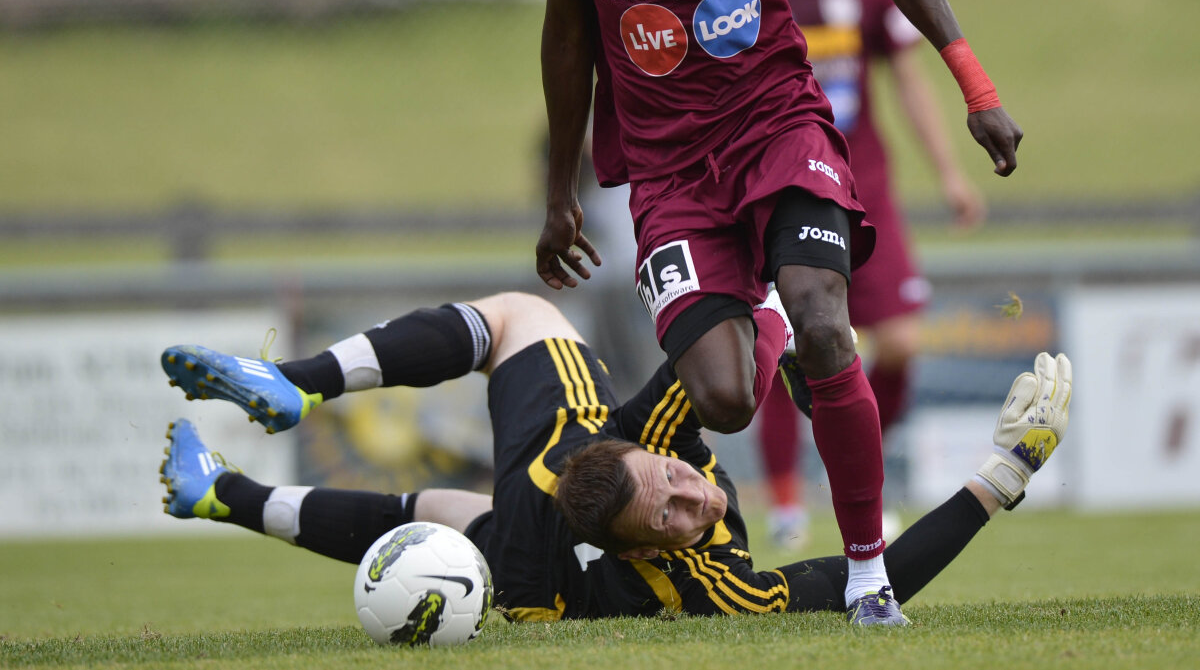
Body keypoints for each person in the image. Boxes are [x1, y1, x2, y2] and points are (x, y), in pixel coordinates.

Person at [528, 0, 1022, 614]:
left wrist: (975, 83)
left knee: (828, 318)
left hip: (776, 126)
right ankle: (768, 327)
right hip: (667, 172)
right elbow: (567, 36)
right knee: (720, 397)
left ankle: (871, 573)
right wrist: (560, 193)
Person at [158, 291, 1071, 626]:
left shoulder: (652, 440)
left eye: (674, 482)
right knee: (456, 494)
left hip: (558, 465)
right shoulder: (711, 588)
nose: (694, 504)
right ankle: (264, 425)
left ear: (650, 444)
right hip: (536, 514)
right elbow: (864, 581)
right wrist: (999, 477)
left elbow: (725, 335)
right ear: (638, 551)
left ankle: (252, 444)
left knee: (439, 505)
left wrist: (779, 330)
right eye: (672, 514)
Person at [756, 0, 986, 547]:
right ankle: (785, 507)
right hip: (785, 188)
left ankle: (859, 468)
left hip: (865, 190)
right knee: (779, 345)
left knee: (903, 342)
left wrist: (949, 172)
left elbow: (910, 81)